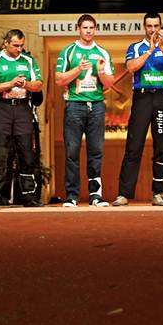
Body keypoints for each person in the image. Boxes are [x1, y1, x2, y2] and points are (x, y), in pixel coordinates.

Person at [113, 12, 163, 206]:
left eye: (156, 26)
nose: (153, 30)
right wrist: (150, 50)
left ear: (161, 26)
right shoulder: (135, 47)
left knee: (162, 146)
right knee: (133, 146)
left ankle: (158, 193)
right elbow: (132, 67)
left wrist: (161, 47)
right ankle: (124, 194)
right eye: (149, 26)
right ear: (144, 27)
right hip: (142, 97)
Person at [55, 14, 115, 206]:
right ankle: (72, 196)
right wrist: (78, 69)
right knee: (72, 151)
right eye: (85, 28)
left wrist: (102, 71)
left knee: (96, 151)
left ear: (95, 29)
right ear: (78, 29)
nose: (88, 31)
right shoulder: (68, 51)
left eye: (91, 28)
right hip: (74, 105)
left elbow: (110, 83)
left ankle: (95, 196)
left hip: (96, 105)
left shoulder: (102, 52)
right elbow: (59, 80)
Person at [0, 29, 43, 207]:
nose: (19, 49)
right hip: (2, 108)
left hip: (23, 108)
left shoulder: (28, 60)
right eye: (15, 45)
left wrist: (25, 84)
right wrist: (10, 83)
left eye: (21, 45)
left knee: (26, 153)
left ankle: (29, 196)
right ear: (6, 43)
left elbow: (38, 85)